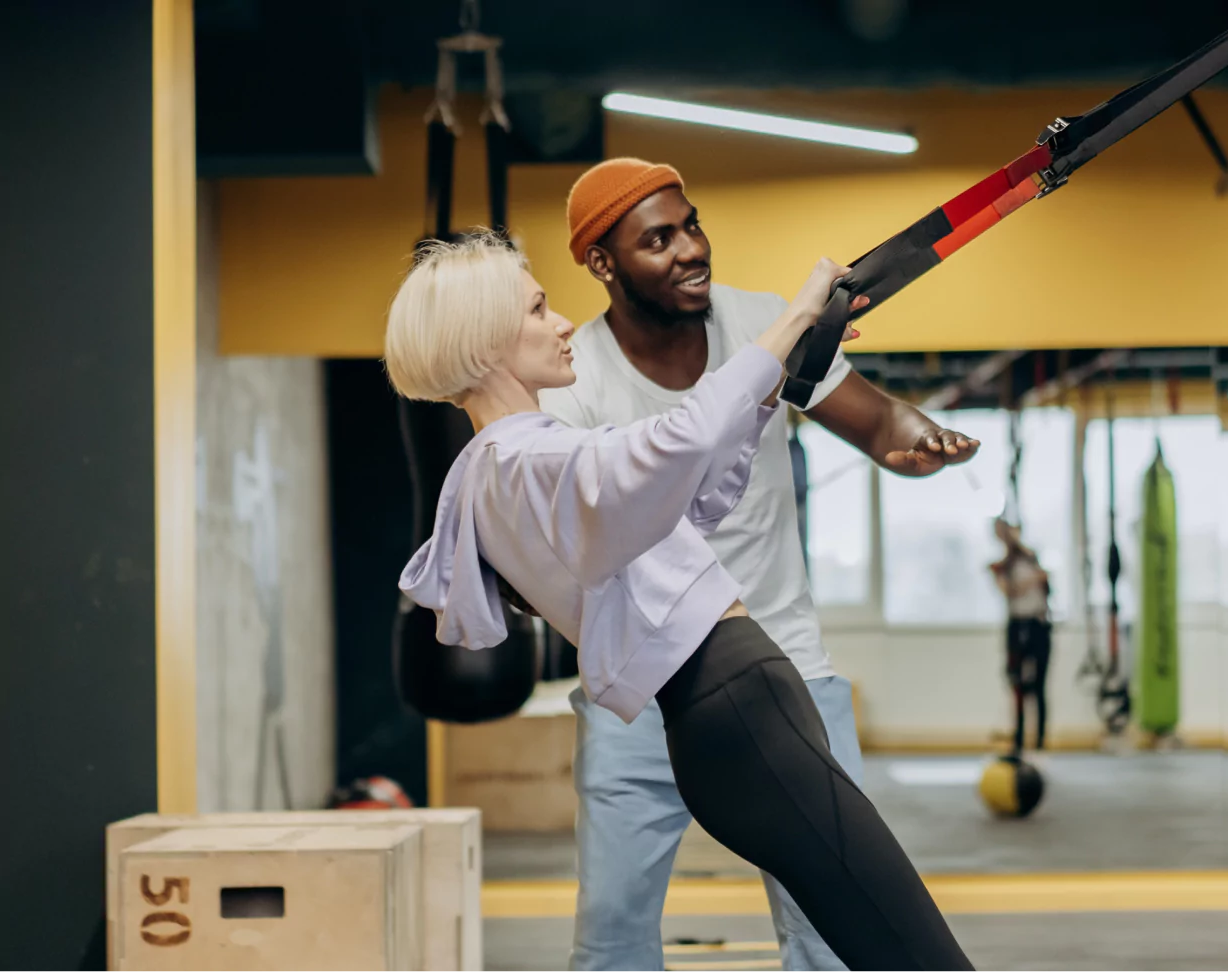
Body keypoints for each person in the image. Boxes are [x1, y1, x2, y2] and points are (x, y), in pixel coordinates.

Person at [387, 233, 977, 972]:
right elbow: (676, 442)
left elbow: (679, 503)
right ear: (483, 342)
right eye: (538, 309)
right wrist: (793, 317)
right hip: (742, 708)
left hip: (724, 718)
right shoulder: (531, 459)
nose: (563, 322)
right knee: (915, 952)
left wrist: (772, 385)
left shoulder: (500, 468)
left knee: (872, 944)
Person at [539, 157, 980, 972]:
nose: (690, 249)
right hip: (638, 691)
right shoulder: (578, 376)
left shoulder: (761, 324)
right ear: (603, 263)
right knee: (610, 936)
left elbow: (877, 418)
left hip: (786, 674)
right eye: (658, 239)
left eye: (692, 224)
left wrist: (916, 440)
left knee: (830, 932)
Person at [989, 517, 1053, 752]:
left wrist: (1037, 576)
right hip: (1017, 626)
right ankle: (1018, 741)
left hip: (1039, 625)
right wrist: (1033, 579)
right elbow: (1011, 591)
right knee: (1016, 684)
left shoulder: (1031, 558)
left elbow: (1046, 583)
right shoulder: (1000, 567)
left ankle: (1040, 742)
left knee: (1039, 686)